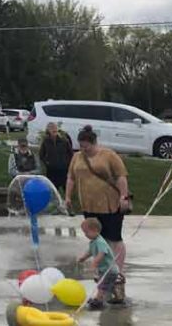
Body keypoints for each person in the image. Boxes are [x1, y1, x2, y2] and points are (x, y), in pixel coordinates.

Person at [65, 125, 129, 304]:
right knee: (97, 240)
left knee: (114, 239)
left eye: (87, 146)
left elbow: (121, 177)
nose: (84, 149)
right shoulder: (77, 157)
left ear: (94, 142)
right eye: (82, 145)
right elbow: (71, 177)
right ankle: (103, 272)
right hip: (89, 205)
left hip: (110, 204)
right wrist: (68, 196)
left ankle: (117, 274)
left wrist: (124, 197)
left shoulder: (109, 155)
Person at [77, 218, 120, 310]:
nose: (85, 235)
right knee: (109, 285)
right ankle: (118, 297)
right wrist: (83, 258)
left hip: (109, 270)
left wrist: (94, 263)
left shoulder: (100, 241)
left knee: (102, 285)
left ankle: (98, 300)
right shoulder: (94, 242)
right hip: (105, 270)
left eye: (86, 232)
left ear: (95, 231)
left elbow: (102, 253)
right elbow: (90, 252)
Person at [39, 122, 73, 191]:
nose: (54, 130)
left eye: (55, 128)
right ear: (48, 130)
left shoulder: (64, 140)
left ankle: (67, 200)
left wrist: (67, 163)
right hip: (52, 169)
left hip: (64, 168)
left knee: (66, 187)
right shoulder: (46, 141)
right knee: (53, 188)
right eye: (51, 128)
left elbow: (70, 153)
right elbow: (41, 154)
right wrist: (47, 162)